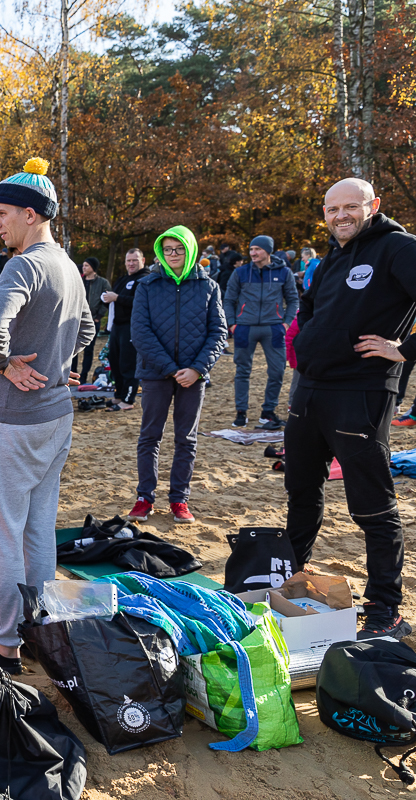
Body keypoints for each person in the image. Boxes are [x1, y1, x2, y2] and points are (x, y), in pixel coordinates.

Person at [0, 157, 93, 675]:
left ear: (32, 214)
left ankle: (7, 644)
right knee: (37, 530)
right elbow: (86, 330)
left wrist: (4, 363)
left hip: (16, 420)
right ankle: (40, 630)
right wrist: (58, 364)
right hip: (56, 417)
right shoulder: (66, 264)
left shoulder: (27, 263)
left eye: (1, 214)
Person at [286, 177, 416, 640]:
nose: (340, 216)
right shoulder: (330, 260)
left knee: (372, 507)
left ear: (373, 205)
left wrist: (405, 350)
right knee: (301, 491)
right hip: (310, 390)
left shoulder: (398, 247)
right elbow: (309, 307)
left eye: (350, 207)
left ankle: (385, 606)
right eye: (330, 209)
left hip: (360, 393)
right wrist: (304, 337)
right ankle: (286, 578)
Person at [127, 226, 227, 524]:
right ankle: (145, 497)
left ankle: (179, 499)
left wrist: (197, 369)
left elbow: (218, 333)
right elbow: (140, 332)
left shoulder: (209, 287)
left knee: (186, 438)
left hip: (193, 376)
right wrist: (171, 369)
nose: (173, 254)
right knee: (150, 436)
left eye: (179, 249)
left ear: (191, 250)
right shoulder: (147, 285)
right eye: (168, 249)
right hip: (156, 374)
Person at [223, 235, 298, 429]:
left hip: (273, 328)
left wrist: (286, 324)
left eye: (257, 249)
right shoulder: (241, 273)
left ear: (268, 250)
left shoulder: (284, 272)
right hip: (244, 328)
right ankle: (241, 412)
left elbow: (293, 299)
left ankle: (268, 411)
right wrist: (232, 324)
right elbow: (229, 300)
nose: (253, 253)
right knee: (242, 371)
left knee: (277, 370)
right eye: (251, 249)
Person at [102, 248, 152, 410]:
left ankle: (128, 399)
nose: (131, 263)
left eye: (135, 260)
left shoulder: (144, 279)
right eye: (129, 260)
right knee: (115, 362)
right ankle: (119, 395)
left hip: (132, 326)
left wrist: (116, 298)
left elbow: (140, 301)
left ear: (142, 261)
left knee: (127, 363)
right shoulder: (123, 279)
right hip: (117, 326)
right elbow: (115, 299)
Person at [72, 257, 110, 382]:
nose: (84, 268)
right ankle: (73, 374)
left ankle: (83, 376)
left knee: (89, 350)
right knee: (73, 349)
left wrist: (99, 317)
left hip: (93, 320)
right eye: (83, 265)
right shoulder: (78, 281)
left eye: (87, 265)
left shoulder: (102, 282)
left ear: (93, 268)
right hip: (75, 320)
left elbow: (106, 300)